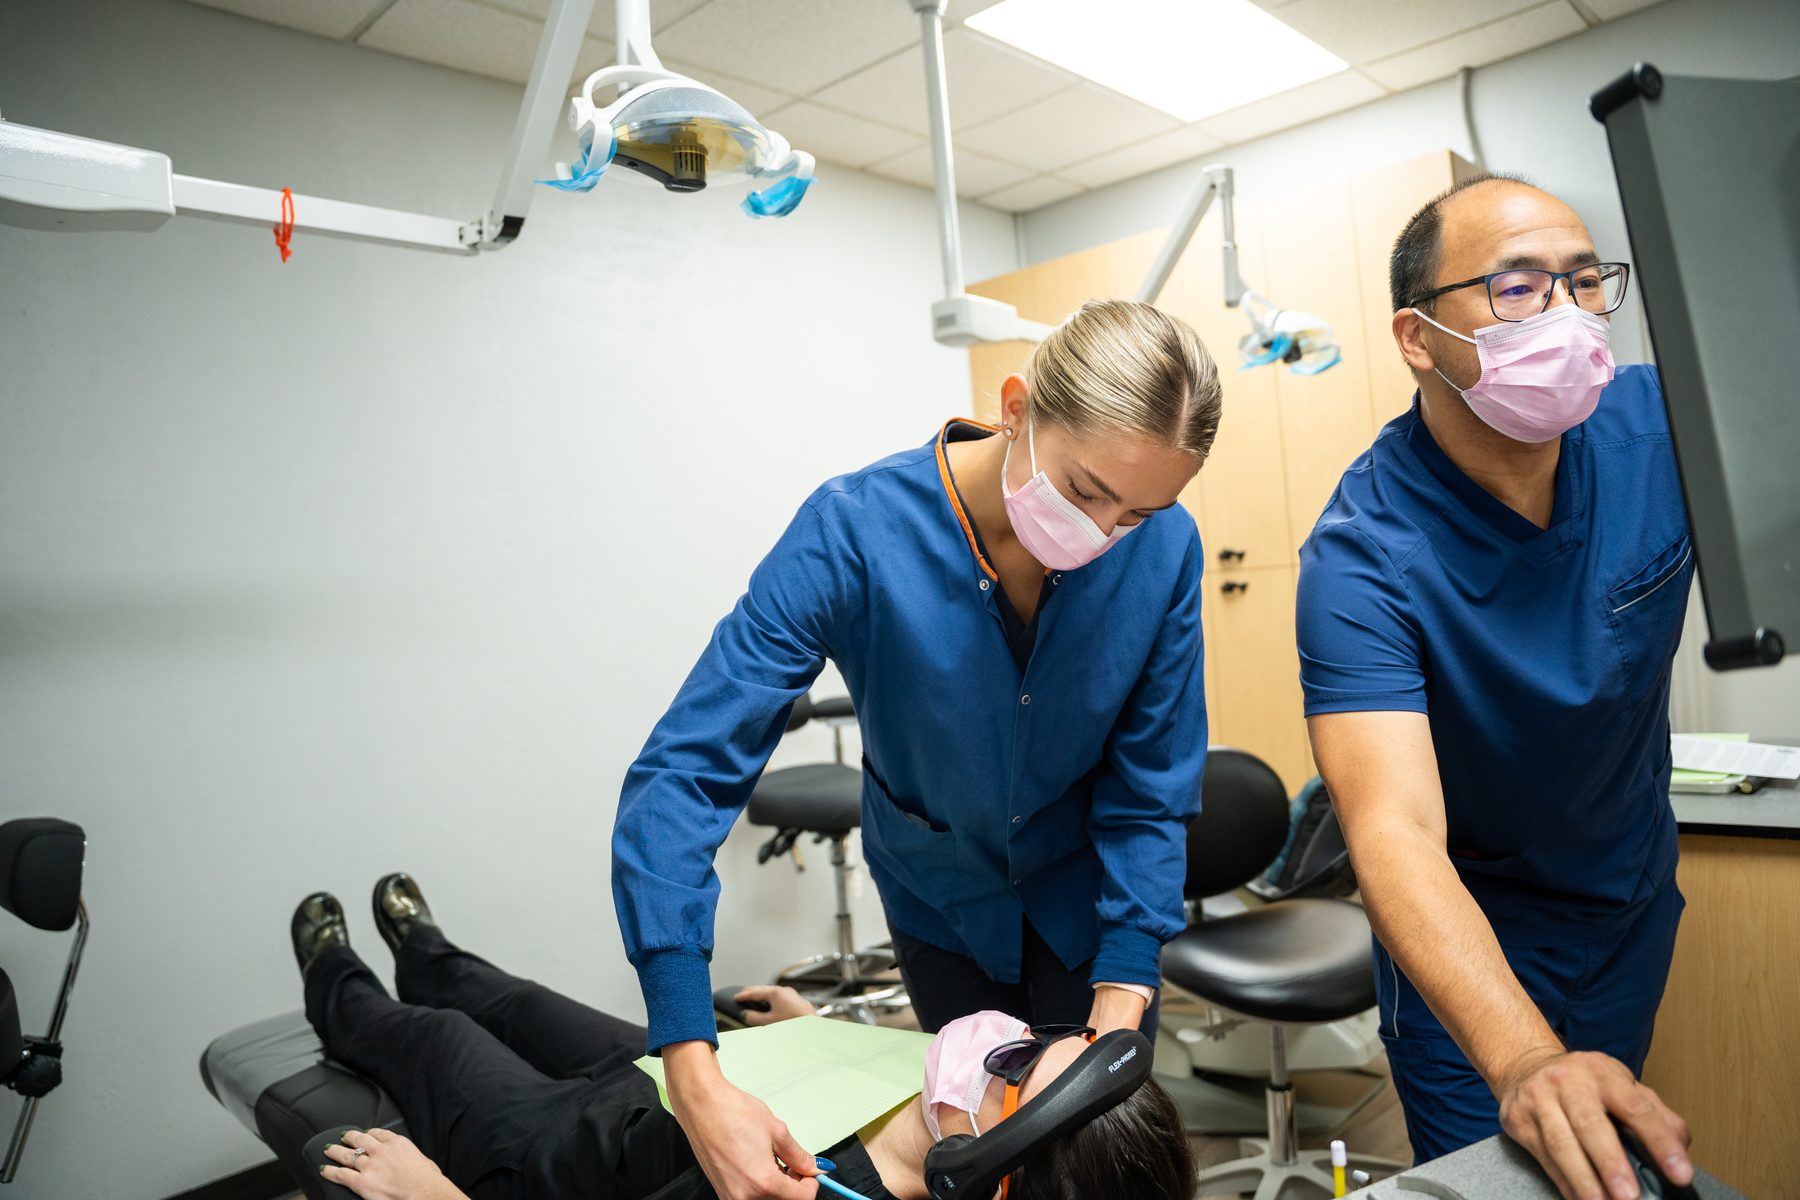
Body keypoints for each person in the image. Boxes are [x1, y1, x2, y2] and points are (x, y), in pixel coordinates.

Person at [613, 298, 1220, 1200]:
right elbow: (686, 773)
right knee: (972, 1169)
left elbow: (1149, 783)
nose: (1102, 537)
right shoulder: (852, 533)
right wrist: (693, 1068)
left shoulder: (1164, 550)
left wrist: (1122, 997)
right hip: (945, 908)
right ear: (1016, 408)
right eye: (1087, 492)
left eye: (1137, 513)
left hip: (1087, 909)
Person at [1296, 173, 1696, 1200]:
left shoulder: (1671, 428)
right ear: (1419, 337)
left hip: (1626, 903)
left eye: (1583, 281)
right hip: (1469, 937)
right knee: (1502, 1174)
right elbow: (1390, 831)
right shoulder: (1362, 554)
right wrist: (1519, 1059)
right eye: (1517, 289)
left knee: (1608, 1164)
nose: (1565, 315)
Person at [294, 874, 1196, 1200]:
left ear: (986, 1183)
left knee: (438, 1038)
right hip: (681, 1087)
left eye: (1012, 1065)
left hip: (566, 1154)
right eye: (1048, 1036)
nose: (1000, 1036)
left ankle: (336, 982)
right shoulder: (945, 1119)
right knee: (512, 1000)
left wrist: (430, 1198)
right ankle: (429, 949)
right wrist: (821, 1033)